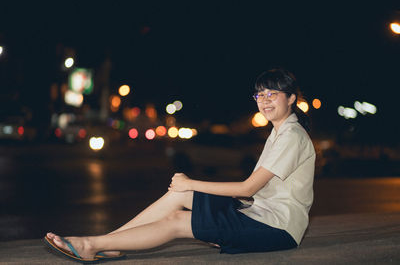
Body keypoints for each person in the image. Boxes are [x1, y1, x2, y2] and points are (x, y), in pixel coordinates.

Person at [44, 68, 316, 263]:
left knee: (177, 220)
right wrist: (189, 191)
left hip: (277, 229)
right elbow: (249, 193)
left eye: (273, 94)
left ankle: (90, 245)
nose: (265, 100)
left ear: (291, 98)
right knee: (180, 195)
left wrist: (192, 183)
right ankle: (111, 243)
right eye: (260, 95)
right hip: (257, 213)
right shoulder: (279, 131)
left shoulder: (292, 135)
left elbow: (248, 187)